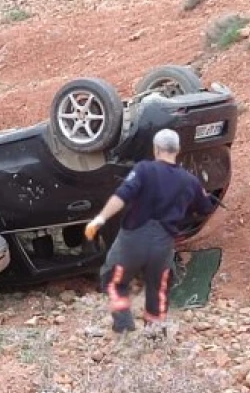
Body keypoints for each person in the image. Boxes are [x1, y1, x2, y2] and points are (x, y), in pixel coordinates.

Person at [83, 128, 216, 335]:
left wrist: (100, 219)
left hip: (132, 240)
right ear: (178, 149)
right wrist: (201, 195)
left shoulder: (144, 170)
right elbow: (205, 207)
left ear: (156, 149)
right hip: (163, 244)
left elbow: (122, 196)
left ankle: (124, 327)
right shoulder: (189, 181)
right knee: (158, 287)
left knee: (113, 279)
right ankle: (155, 332)